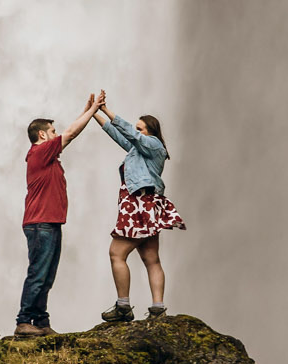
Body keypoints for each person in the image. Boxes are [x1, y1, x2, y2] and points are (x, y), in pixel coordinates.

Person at [16, 92, 101, 338]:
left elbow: (68, 133)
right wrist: (93, 110)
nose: (56, 134)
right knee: (38, 273)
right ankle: (23, 321)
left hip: (49, 222)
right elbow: (71, 133)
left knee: (47, 275)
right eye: (52, 131)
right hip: (40, 223)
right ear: (42, 135)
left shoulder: (46, 156)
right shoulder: (39, 152)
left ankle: (40, 321)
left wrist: (86, 110)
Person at [94, 92, 184, 321]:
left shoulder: (154, 145)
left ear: (151, 131)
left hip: (139, 205)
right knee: (151, 258)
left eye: (140, 128)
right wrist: (93, 111)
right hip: (145, 204)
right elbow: (118, 135)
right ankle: (158, 308)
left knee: (116, 253)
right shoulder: (139, 150)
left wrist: (106, 110)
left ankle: (123, 307)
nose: (136, 132)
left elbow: (130, 134)